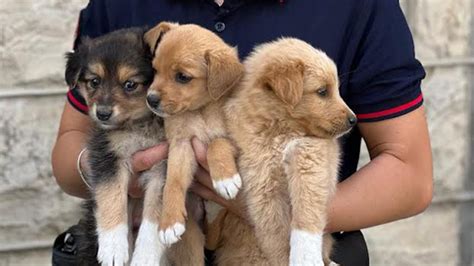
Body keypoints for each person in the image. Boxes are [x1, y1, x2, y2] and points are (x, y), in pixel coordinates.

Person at [51, 0, 433, 265]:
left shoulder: (360, 7)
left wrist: (270, 210)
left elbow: (409, 174)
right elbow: (70, 147)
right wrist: (112, 172)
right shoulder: (117, 4)